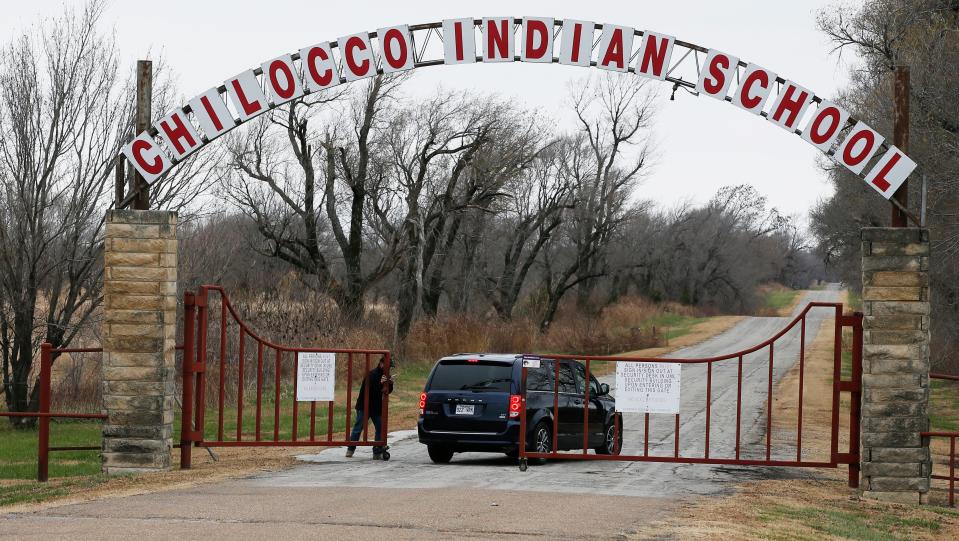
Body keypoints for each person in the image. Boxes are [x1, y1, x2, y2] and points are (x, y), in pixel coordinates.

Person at [346, 355, 394, 458]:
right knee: (358, 428)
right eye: (388, 366)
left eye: (390, 367)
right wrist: (381, 383)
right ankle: (350, 449)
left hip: (376, 407)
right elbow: (371, 392)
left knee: (380, 427)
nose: (389, 369)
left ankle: (377, 451)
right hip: (364, 406)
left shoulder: (386, 375)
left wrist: (390, 384)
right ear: (381, 364)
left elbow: (387, 391)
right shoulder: (371, 375)